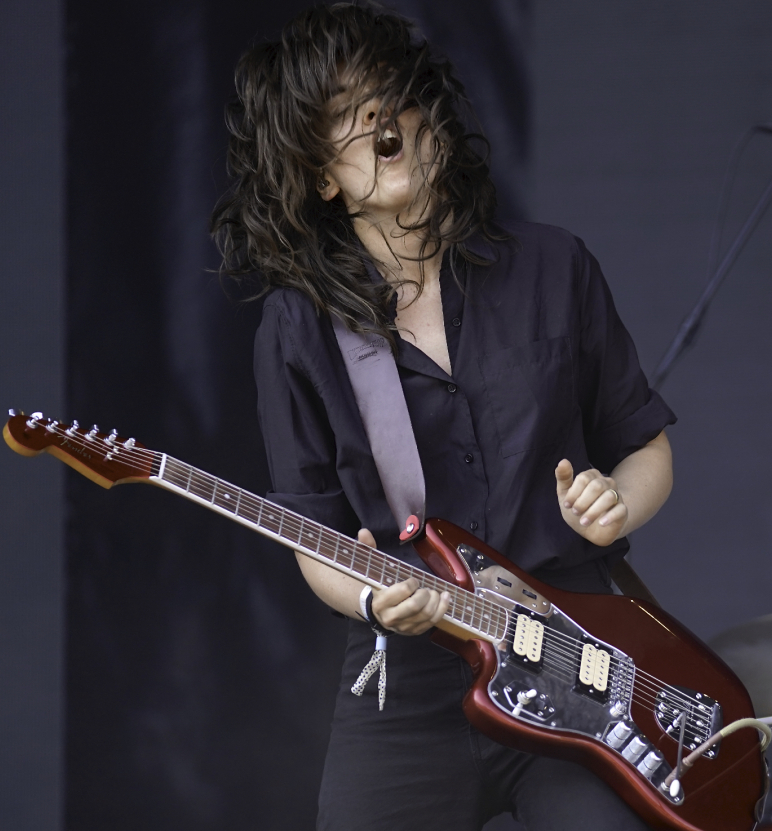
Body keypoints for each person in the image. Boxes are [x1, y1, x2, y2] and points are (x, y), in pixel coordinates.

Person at [211, 4, 676, 829]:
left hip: (571, 648)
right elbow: (310, 534)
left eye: (391, 96)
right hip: (413, 673)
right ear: (324, 176)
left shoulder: (553, 266)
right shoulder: (300, 326)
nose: (379, 119)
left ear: (434, 119)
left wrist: (616, 505)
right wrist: (369, 600)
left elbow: (645, 448)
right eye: (345, 116)